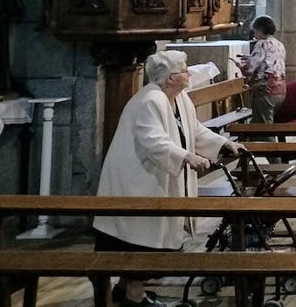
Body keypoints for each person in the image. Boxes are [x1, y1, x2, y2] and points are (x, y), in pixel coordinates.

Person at [93, 50, 244, 307]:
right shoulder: (150, 100)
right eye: (184, 70)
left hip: (155, 177)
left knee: (150, 236)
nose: (188, 74)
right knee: (137, 238)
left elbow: (194, 129)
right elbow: (153, 141)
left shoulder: (179, 98)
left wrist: (223, 144)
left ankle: (125, 289)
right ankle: (133, 295)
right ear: (169, 77)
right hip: (135, 180)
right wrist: (187, 157)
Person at [236, 15, 287, 123]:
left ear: (260, 30)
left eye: (255, 31)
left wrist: (241, 66)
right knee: (265, 123)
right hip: (280, 90)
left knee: (263, 128)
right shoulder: (279, 44)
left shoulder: (262, 43)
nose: (254, 34)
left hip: (265, 91)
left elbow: (251, 68)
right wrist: (250, 58)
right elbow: (270, 61)